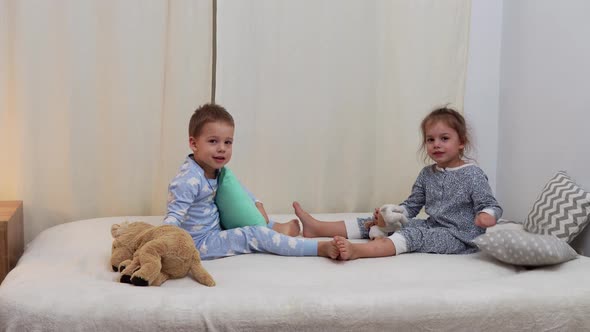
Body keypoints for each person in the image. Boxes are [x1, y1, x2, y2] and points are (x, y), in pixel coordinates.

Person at [293, 107, 502, 260]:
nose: (436, 144)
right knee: (375, 223)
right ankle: (317, 228)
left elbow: (490, 205)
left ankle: (359, 251)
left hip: (460, 237)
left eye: (444, 138)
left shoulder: (472, 174)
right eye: (430, 140)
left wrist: (487, 216)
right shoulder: (427, 173)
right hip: (433, 225)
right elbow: (411, 207)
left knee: (413, 234)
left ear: (461, 142)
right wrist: (390, 217)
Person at [163, 103, 339, 260]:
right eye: (213, 141)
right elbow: (173, 218)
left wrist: (256, 202)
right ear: (194, 144)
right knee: (254, 235)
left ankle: (276, 228)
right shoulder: (188, 180)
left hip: (217, 227)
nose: (222, 148)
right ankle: (317, 248)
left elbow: (238, 192)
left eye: (228, 142)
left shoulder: (216, 170)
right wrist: (164, 246)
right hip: (200, 243)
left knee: (244, 215)